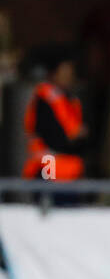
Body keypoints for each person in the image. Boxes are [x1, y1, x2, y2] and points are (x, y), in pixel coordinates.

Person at [22, 47, 89, 181]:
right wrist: (72, 139)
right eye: (65, 70)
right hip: (48, 169)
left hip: (70, 171)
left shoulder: (70, 100)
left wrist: (76, 139)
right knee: (49, 200)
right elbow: (51, 135)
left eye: (71, 70)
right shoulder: (44, 99)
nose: (69, 75)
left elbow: (84, 138)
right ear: (54, 73)